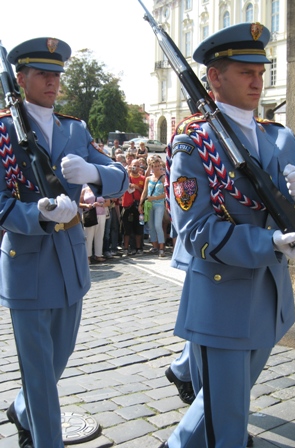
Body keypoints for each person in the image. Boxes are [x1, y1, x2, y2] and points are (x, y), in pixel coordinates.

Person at [160, 22, 295, 448]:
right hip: (220, 303)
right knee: (228, 427)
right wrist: (269, 243)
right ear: (215, 77)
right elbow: (195, 231)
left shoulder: (279, 136)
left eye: (261, 71)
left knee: (226, 406)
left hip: (272, 301)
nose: (258, 81)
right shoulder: (193, 143)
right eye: (245, 71)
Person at [0, 37, 128, 448]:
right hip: (27, 262)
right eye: (42, 73)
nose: (52, 82)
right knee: (38, 372)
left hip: (71, 261)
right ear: (20, 78)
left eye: (56, 74)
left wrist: (93, 171)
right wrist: (34, 215)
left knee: (60, 356)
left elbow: (120, 178)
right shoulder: (3, 129)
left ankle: (22, 410)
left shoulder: (74, 128)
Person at [139, 156, 166, 257]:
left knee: (158, 225)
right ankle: (155, 246)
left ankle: (162, 248)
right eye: (155, 166)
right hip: (149, 204)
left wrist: (155, 198)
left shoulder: (163, 179)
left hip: (159, 204)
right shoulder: (148, 179)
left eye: (158, 166)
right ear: (151, 167)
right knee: (150, 226)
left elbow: (166, 194)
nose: (157, 168)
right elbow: (145, 192)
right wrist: (141, 204)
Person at [79, 184, 109, 263]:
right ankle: (87, 256)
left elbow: (108, 202)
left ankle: (98, 255)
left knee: (99, 235)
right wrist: (87, 205)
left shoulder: (102, 189)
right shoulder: (84, 190)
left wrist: (101, 204)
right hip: (89, 215)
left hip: (101, 215)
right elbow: (79, 203)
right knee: (88, 236)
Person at [121, 159, 145, 255]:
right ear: (131, 165)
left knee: (138, 228)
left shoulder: (143, 178)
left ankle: (138, 248)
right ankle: (126, 248)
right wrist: (127, 171)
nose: (136, 167)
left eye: (138, 165)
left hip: (138, 206)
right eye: (134, 165)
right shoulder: (126, 177)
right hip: (127, 205)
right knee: (126, 229)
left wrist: (136, 187)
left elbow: (144, 192)